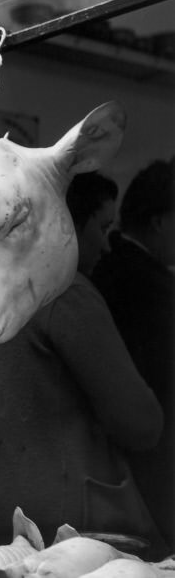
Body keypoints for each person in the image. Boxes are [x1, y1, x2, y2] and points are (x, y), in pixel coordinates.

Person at [0, 172, 167, 557]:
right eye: (103, 227)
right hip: (65, 524)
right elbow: (139, 421)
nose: (108, 246)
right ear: (67, 224)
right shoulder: (63, 290)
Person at [93, 157, 175, 553]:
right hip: (148, 463)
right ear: (160, 221)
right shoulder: (149, 286)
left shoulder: (116, 267)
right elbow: (160, 384)